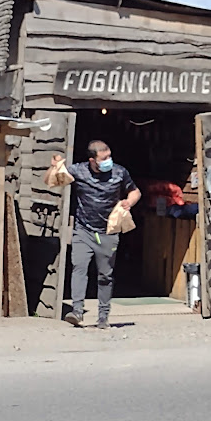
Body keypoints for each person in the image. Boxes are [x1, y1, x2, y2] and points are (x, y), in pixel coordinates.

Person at [59, 140, 141, 329]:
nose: (108, 161)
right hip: (83, 230)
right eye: (104, 158)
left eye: (109, 157)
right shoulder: (78, 171)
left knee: (105, 275)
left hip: (108, 231)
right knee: (79, 268)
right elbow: (54, 181)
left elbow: (135, 192)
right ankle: (77, 311)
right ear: (92, 160)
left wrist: (129, 202)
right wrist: (55, 167)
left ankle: (103, 316)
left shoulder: (120, 172)